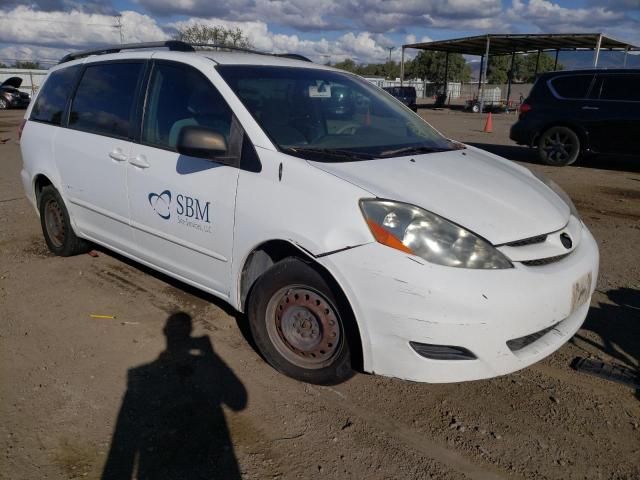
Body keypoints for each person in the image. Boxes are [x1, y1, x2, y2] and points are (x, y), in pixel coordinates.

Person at [102, 312, 247, 479]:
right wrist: (211, 355)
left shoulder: (141, 375)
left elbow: (239, 402)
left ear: (164, 331)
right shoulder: (143, 376)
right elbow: (239, 402)